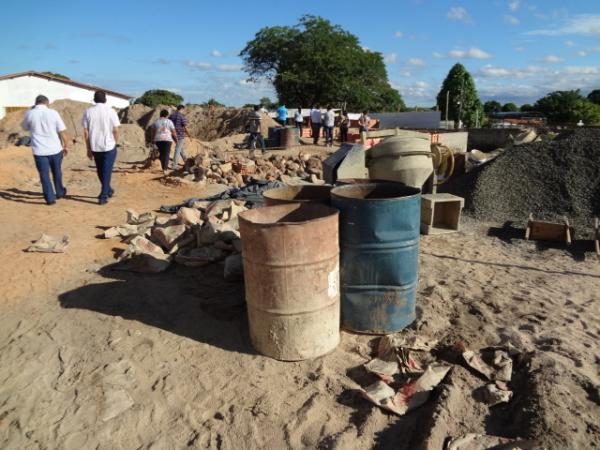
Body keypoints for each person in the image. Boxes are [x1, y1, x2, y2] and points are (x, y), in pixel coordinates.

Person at [20, 95, 69, 205]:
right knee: (57, 172)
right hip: (55, 149)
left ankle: (50, 198)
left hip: (39, 150)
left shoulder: (29, 114)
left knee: (44, 175)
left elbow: (24, 127)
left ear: (36, 103)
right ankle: (60, 192)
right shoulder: (53, 113)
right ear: (47, 103)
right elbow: (62, 131)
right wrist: (66, 146)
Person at [82, 90, 120, 205]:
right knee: (106, 171)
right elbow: (116, 130)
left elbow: (85, 132)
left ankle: (107, 190)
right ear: (105, 99)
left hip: (95, 145)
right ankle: (104, 195)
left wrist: (88, 148)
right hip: (109, 146)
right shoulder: (111, 111)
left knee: (100, 170)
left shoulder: (88, 112)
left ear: (94, 99)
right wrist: (115, 142)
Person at [150, 110, 178, 174]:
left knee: (162, 154)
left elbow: (153, 132)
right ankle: (165, 169)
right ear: (167, 115)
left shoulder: (155, 122)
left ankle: (163, 167)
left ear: (160, 114)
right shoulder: (169, 122)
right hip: (167, 140)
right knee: (166, 154)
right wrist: (176, 140)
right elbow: (173, 132)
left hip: (158, 140)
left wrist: (152, 140)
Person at [169, 105, 190, 170]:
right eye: (183, 110)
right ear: (182, 109)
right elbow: (185, 127)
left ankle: (187, 160)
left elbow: (168, 124)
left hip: (173, 135)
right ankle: (174, 165)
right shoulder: (181, 116)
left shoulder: (171, 116)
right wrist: (189, 135)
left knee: (180, 148)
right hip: (180, 135)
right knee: (178, 149)